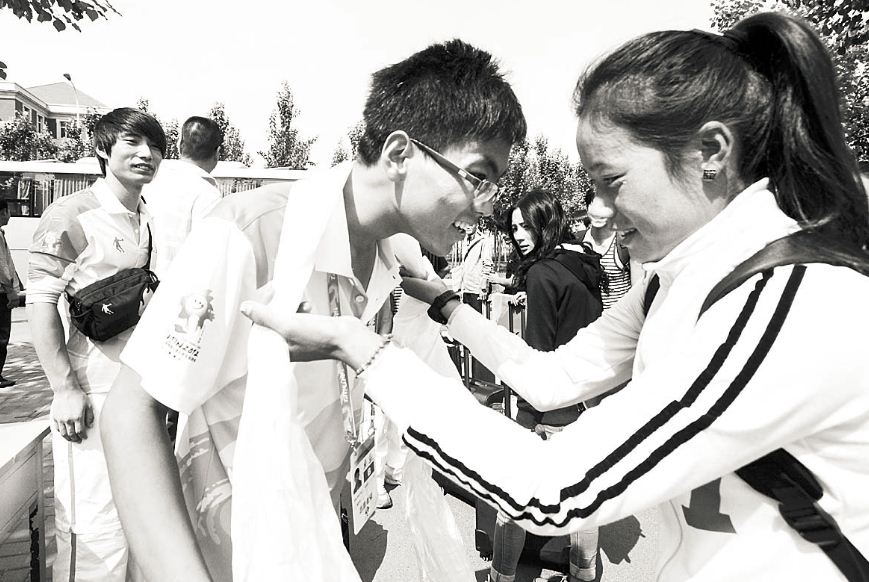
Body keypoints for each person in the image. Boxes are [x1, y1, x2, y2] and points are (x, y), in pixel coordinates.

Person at [243, 13, 869, 581]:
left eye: (612, 181)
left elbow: (553, 490)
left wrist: (363, 350)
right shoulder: (671, 281)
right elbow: (551, 377)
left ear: (711, 152)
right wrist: (447, 306)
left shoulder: (792, 300)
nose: (598, 210)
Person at [100, 39, 526, 582]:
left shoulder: (387, 264)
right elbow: (130, 414)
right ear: (400, 154)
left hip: (314, 533)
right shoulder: (252, 233)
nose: (488, 204)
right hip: (229, 552)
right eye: (479, 177)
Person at [26, 107, 165, 581]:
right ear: (103, 149)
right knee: (92, 530)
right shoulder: (71, 214)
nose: (146, 154)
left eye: (155, 145)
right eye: (133, 142)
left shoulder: (146, 216)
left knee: (135, 522)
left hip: (138, 391)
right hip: (91, 393)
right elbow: (40, 304)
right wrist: (64, 388)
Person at [491, 190, 603, 582]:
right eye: (514, 228)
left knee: (512, 502)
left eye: (526, 226)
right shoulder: (584, 262)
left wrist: (526, 416)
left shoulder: (542, 273)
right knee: (582, 501)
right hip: (587, 400)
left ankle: (501, 576)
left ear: (545, 222)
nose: (518, 235)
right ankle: (583, 573)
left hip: (549, 405)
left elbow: (538, 352)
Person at [143, 115, 223, 278]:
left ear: (179, 145)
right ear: (218, 152)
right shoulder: (209, 195)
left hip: (139, 285)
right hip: (180, 287)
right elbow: (208, 257)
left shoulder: (149, 179)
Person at [581, 190, 634, 308]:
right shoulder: (580, 242)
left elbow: (638, 287)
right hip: (594, 317)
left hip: (623, 315)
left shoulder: (624, 241)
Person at [0, 204, 21, 388]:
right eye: (8, 211)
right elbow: (2, 267)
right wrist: (11, 291)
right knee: (1, 335)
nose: (10, 215)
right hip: (1, 293)